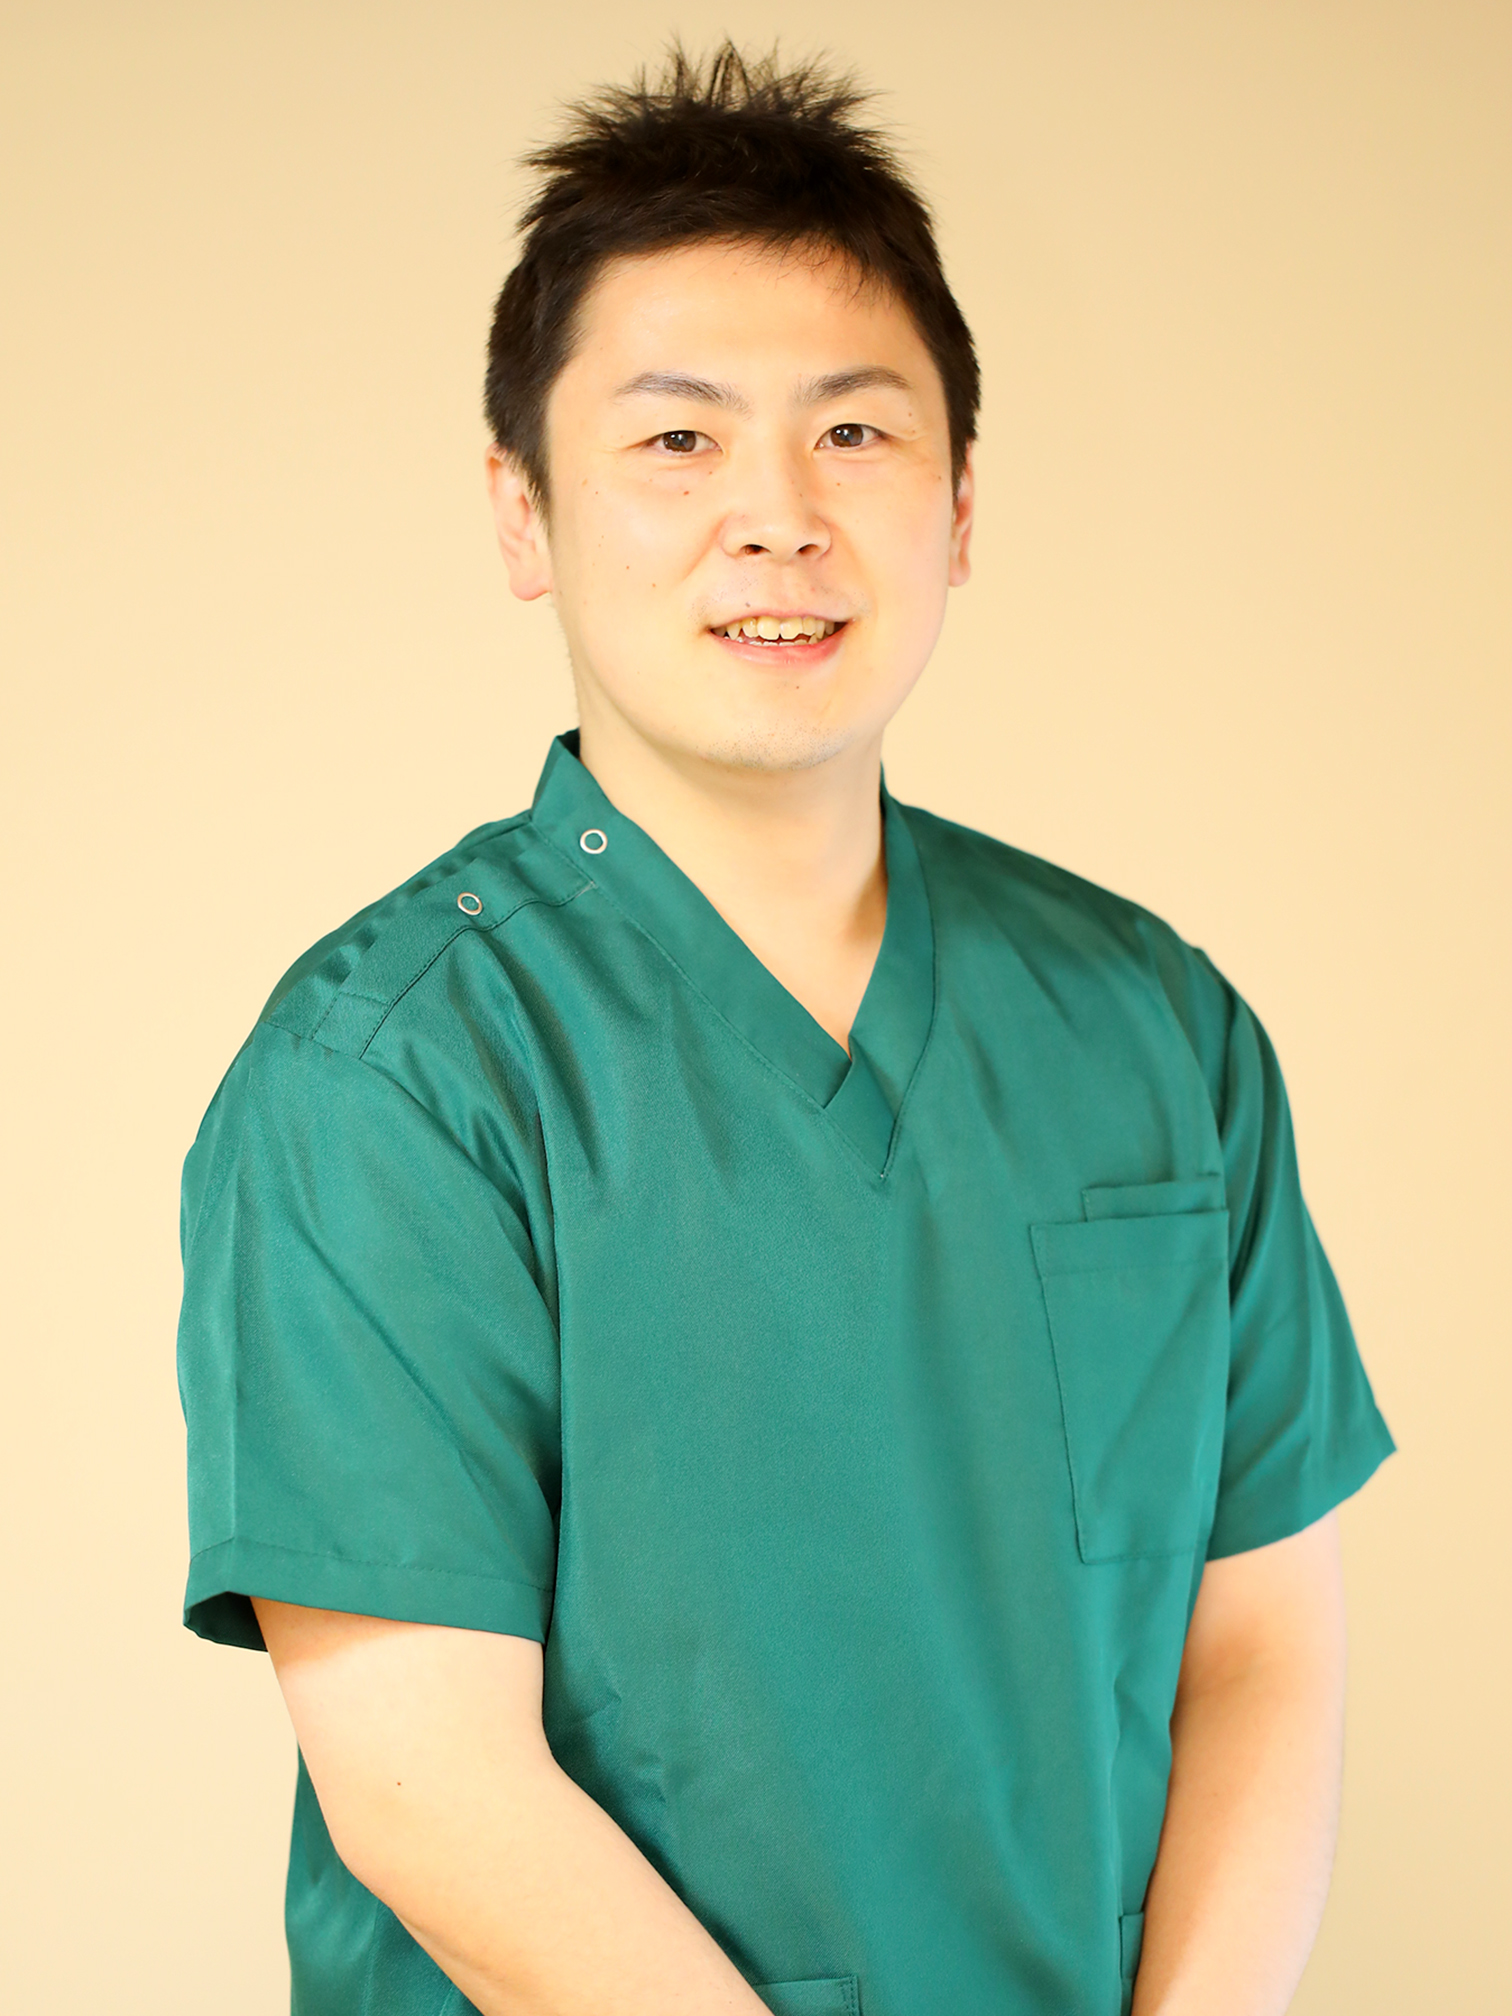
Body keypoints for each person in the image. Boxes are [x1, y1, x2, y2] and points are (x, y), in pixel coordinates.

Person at [176, 43, 1394, 2016]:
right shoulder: (391, 1076)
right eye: (678, 440)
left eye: (854, 433)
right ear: (521, 513)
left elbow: (1259, 1645)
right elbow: (433, 1788)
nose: (779, 517)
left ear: (961, 507)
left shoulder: (1154, 1026)